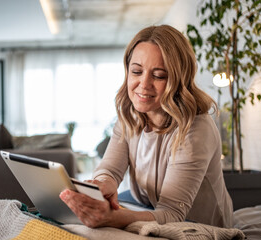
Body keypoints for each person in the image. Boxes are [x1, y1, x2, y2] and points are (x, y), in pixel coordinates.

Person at [59, 25, 233, 229]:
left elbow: (172, 212)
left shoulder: (195, 128)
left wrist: (113, 218)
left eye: (159, 75)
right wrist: (103, 183)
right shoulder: (130, 114)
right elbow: (110, 169)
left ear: (179, 79)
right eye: (136, 71)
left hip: (197, 222)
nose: (143, 84)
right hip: (148, 205)